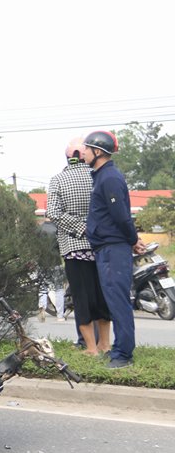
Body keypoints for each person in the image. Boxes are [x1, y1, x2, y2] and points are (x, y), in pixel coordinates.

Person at [82, 130, 146, 370]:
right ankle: (120, 350)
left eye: (87, 149)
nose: (84, 153)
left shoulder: (109, 177)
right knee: (113, 300)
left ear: (98, 152)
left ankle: (123, 354)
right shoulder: (100, 176)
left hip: (113, 248)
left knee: (118, 301)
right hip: (107, 247)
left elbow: (120, 215)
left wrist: (132, 239)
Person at [46, 137, 111, 355]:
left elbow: (53, 213)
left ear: (67, 157)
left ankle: (90, 347)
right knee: (102, 296)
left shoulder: (58, 180)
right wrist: (92, 227)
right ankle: (105, 344)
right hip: (100, 246)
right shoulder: (97, 177)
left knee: (82, 298)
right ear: (85, 155)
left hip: (74, 247)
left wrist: (80, 227)